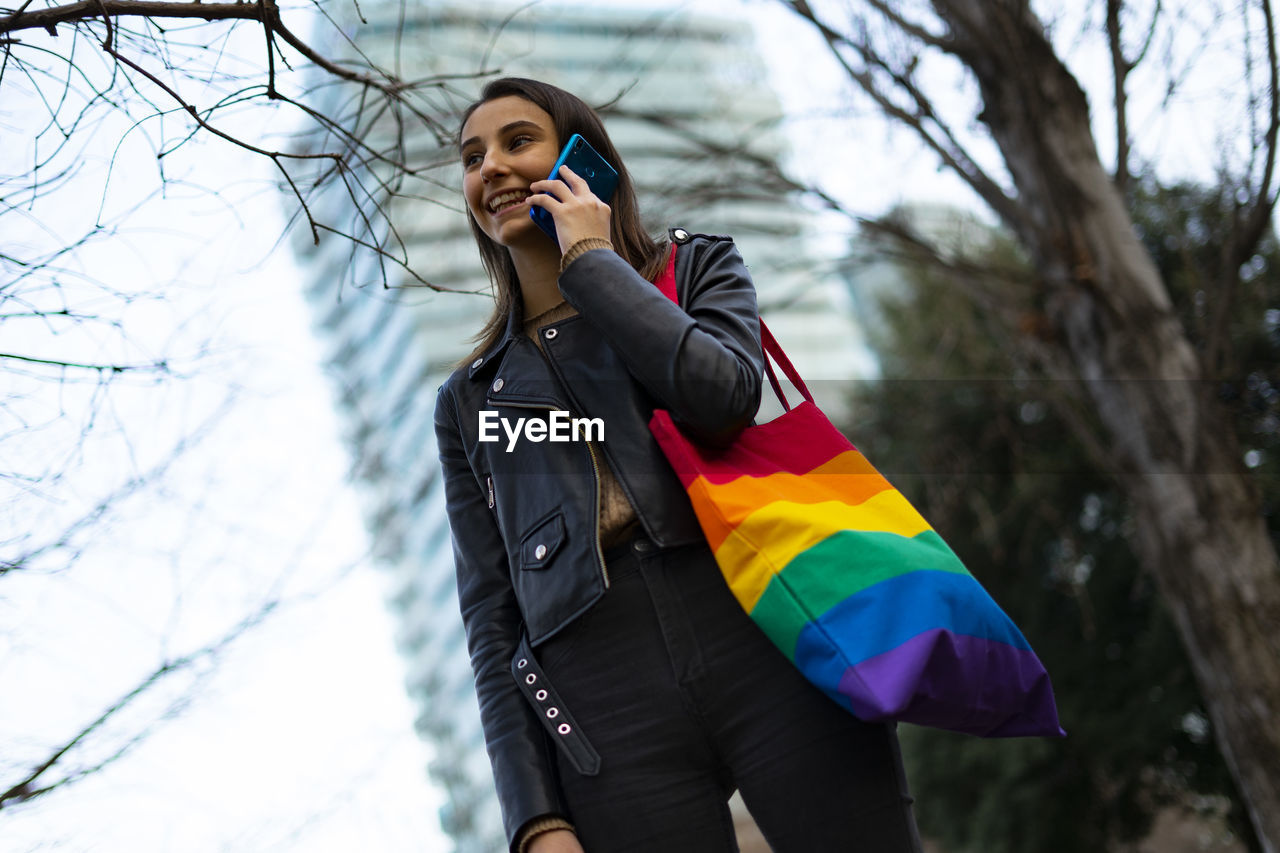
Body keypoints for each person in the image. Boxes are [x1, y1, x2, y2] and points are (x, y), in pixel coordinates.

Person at [434, 77, 923, 853]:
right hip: (601, 698)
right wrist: (534, 815)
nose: (488, 167)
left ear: (583, 161)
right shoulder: (468, 399)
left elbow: (723, 396)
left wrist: (592, 261)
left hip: (759, 621)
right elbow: (491, 616)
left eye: (515, 141)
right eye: (470, 157)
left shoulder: (696, 269)